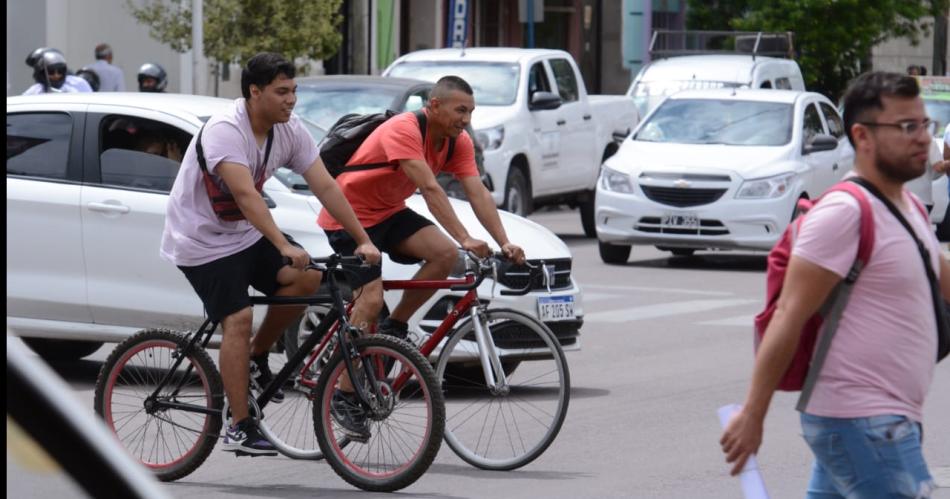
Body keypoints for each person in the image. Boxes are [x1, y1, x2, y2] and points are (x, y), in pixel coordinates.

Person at [720, 71, 948, 498]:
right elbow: (789, 315)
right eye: (906, 127)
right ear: (862, 136)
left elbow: (942, 277)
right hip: (864, 420)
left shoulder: (908, 204)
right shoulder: (844, 213)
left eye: (924, 125)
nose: (922, 138)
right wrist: (754, 414)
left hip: (879, 419)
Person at [160, 52, 380, 456]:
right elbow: (245, 195)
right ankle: (239, 425)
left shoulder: (289, 130)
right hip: (200, 240)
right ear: (254, 92)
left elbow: (327, 187)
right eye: (282, 91)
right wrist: (281, 243)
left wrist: (362, 238)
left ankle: (258, 357)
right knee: (238, 319)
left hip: (242, 235)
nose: (291, 99)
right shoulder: (226, 130)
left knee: (307, 278)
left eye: (294, 90)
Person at [316, 75, 525, 440]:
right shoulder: (404, 128)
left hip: (387, 213)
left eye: (471, 111)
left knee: (444, 255)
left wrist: (504, 241)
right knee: (371, 297)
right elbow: (429, 188)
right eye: (460, 110)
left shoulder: (456, 142)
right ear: (434, 106)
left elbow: (477, 192)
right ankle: (343, 394)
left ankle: (394, 330)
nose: (466, 119)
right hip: (348, 217)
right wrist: (465, 238)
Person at [22, 48, 92, 95]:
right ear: (41, 74)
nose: (56, 75)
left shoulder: (79, 84)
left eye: (60, 72)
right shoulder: (36, 90)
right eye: (51, 72)